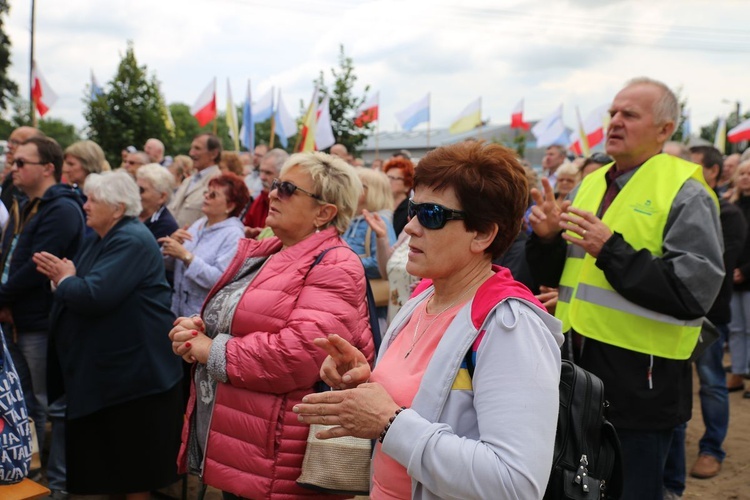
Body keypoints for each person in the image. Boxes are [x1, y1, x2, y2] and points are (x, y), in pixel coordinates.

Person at [294, 141, 562, 499]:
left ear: (483, 234)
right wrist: (363, 381)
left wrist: (388, 423)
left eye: (432, 215)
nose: (411, 227)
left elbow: (515, 482)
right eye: (412, 209)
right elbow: (416, 403)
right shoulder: (424, 295)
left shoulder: (509, 325)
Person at [525, 77, 724, 500]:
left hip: (640, 386)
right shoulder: (591, 184)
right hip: (576, 372)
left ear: (665, 129)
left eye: (629, 114)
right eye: (613, 112)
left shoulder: (688, 192)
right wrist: (544, 239)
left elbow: (693, 294)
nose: (614, 122)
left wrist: (610, 248)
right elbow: (565, 274)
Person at [168, 152, 376, 499]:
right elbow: (247, 319)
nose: (273, 193)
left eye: (289, 189)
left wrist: (210, 349)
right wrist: (197, 331)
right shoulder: (272, 250)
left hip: (280, 461)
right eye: (276, 184)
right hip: (248, 445)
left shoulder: (336, 263)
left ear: (324, 213)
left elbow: (295, 355)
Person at [32, 171, 183, 499]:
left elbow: (93, 295)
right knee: (109, 468)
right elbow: (80, 284)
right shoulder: (101, 235)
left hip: (135, 379)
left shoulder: (130, 238)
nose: (84, 206)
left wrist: (65, 279)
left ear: (117, 208)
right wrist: (65, 279)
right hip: (111, 374)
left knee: (132, 470)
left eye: (92, 200)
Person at [0, 136, 85, 497]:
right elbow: (10, 256)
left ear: (47, 168)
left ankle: (52, 479)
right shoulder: (26, 202)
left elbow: (36, 267)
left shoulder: (61, 209)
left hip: (39, 321)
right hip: (16, 316)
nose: (14, 168)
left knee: (45, 401)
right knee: (22, 400)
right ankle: (27, 467)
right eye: (13, 161)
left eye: (22, 163)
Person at [662, 146, 746, 497]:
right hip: (669, 318)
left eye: (692, 167)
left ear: (713, 172)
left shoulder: (727, 213)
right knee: (675, 390)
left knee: (711, 383)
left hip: (708, 318)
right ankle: (673, 463)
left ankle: (712, 448)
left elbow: (707, 271)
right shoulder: (670, 204)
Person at [159, 173, 248, 318]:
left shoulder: (234, 236)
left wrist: (186, 256)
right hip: (176, 312)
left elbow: (218, 280)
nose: (206, 196)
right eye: (206, 192)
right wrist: (170, 247)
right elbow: (169, 265)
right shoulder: (199, 223)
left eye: (213, 195)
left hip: (201, 319)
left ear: (230, 206)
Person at [343, 168, 396, 279]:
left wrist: (345, 263)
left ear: (374, 192)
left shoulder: (379, 221)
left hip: (367, 288)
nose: (351, 188)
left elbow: (380, 263)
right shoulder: (353, 219)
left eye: (359, 185)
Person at [728, 159, 750, 394]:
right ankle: (737, 372)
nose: (745, 177)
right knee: (736, 329)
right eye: (741, 173)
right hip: (733, 278)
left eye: (749, 173)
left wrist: (745, 271)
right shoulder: (732, 206)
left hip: (746, 275)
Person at [169, 134, 222, 228]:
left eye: (197, 149)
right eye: (192, 148)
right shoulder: (188, 181)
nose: (191, 153)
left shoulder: (219, 182)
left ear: (214, 154)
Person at [242, 148, 288, 236]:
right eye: (261, 171)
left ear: (282, 175)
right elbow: (247, 225)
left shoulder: (289, 205)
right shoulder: (259, 199)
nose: (262, 177)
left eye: (268, 173)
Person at [136, 163, 178, 241]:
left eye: (141, 190)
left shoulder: (166, 227)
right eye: (135, 188)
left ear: (162, 197)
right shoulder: (129, 214)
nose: (135, 193)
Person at [383, 156, 415, 236]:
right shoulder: (381, 205)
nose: (388, 181)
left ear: (407, 185)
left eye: (393, 178)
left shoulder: (410, 210)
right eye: (387, 177)